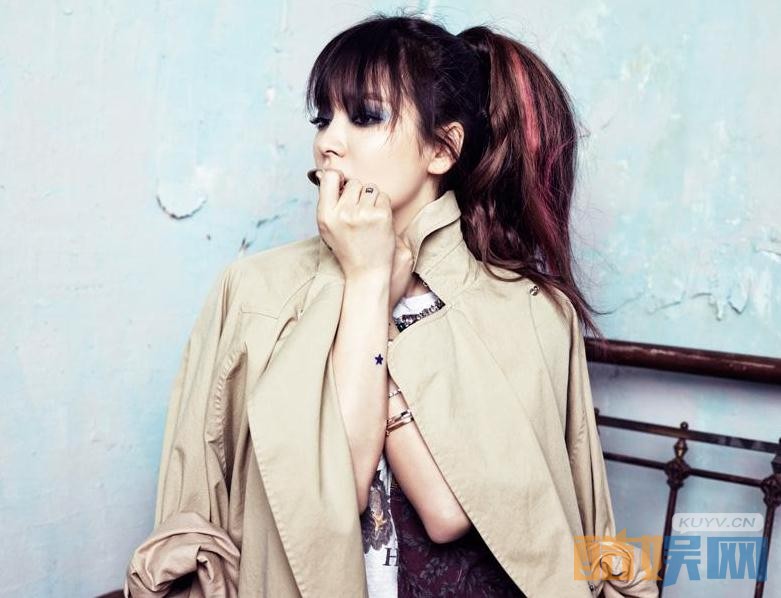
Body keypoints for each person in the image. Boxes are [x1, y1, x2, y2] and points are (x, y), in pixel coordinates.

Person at [124, 12, 659, 598]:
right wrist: (368, 279)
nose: (328, 141)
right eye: (323, 118)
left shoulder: (529, 310)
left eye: (366, 116)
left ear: (442, 148)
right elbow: (331, 496)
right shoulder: (254, 293)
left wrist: (375, 296)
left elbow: (462, 514)